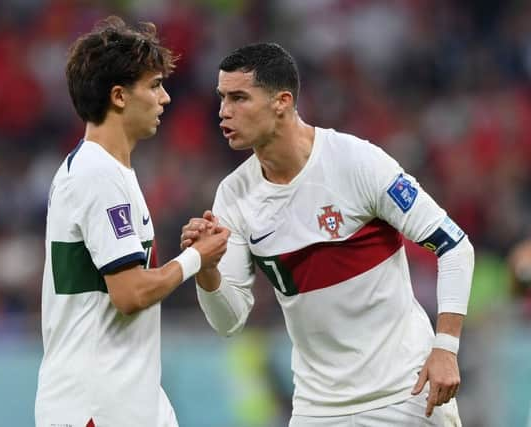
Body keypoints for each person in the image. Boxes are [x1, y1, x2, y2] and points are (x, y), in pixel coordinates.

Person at [181, 43, 474, 426]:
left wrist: (446, 348)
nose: (224, 111)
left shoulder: (355, 162)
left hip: (405, 393)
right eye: (222, 98)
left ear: (281, 102)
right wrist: (207, 269)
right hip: (318, 409)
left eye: (239, 98)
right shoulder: (233, 196)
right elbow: (228, 321)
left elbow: (454, 246)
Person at [34, 17, 229, 427]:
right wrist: (194, 259)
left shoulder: (106, 171)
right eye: (155, 85)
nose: (166, 98)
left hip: (129, 398)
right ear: (119, 96)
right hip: (94, 406)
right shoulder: (96, 175)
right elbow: (129, 293)